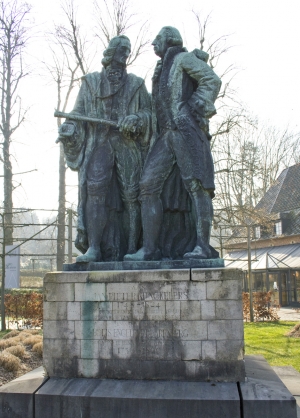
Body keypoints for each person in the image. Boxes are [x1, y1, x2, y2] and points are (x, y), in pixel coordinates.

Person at [125, 27, 221, 261]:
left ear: (168, 41)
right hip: (165, 135)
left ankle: (202, 247)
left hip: (184, 130)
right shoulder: (161, 68)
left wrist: (193, 106)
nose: (153, 43)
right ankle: (150, 249)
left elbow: (211, 80)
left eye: (157, 39)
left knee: (197, 186)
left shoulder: (183, 59)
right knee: (147, 186)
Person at [58, 35, 151, 262]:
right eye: (122, 50)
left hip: (127, 145)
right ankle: (95, 248)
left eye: (128, 51)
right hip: (99, 143)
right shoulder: (90, 83)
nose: (125, 54)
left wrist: (137, 119)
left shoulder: (137, 84)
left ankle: (131, 249)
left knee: (132, 195)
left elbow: (150, 114)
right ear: (110, 53)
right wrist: (69, 128)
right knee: (95, 190)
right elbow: (76, 114)